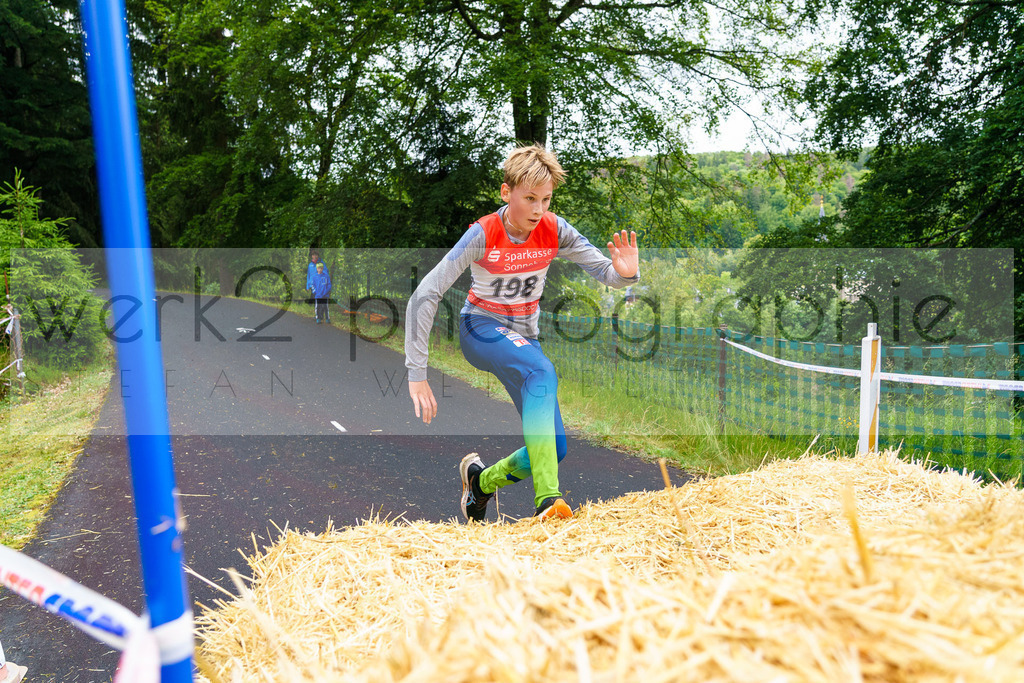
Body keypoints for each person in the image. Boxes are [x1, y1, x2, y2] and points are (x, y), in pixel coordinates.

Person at [405, 144, 639, 522]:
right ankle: (549, 500)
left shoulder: (554, 228)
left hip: (524, 340)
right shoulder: (483, 233)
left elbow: (606, 272)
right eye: (529, 198)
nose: (538, 209)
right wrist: (418, 373)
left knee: (555, 446)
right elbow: (426, 293)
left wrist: (626, 273)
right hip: (479, 329)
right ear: (505, 192)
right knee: (542, 371)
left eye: (546, 199)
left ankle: (481, 483)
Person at [306, 252, 331, 322]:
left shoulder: (321, 263)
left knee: (323, 302)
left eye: (315, 255)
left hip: (322, 285)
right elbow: (309, 275)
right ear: (311, 256)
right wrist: (308, 285)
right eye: (313, 255)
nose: (314, 256)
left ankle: (322, 316)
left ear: (318, 256)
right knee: (317, 301)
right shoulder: (310, 265)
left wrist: (322, 278)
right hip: (313, 285)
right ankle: (318, 316)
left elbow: (326, 272)